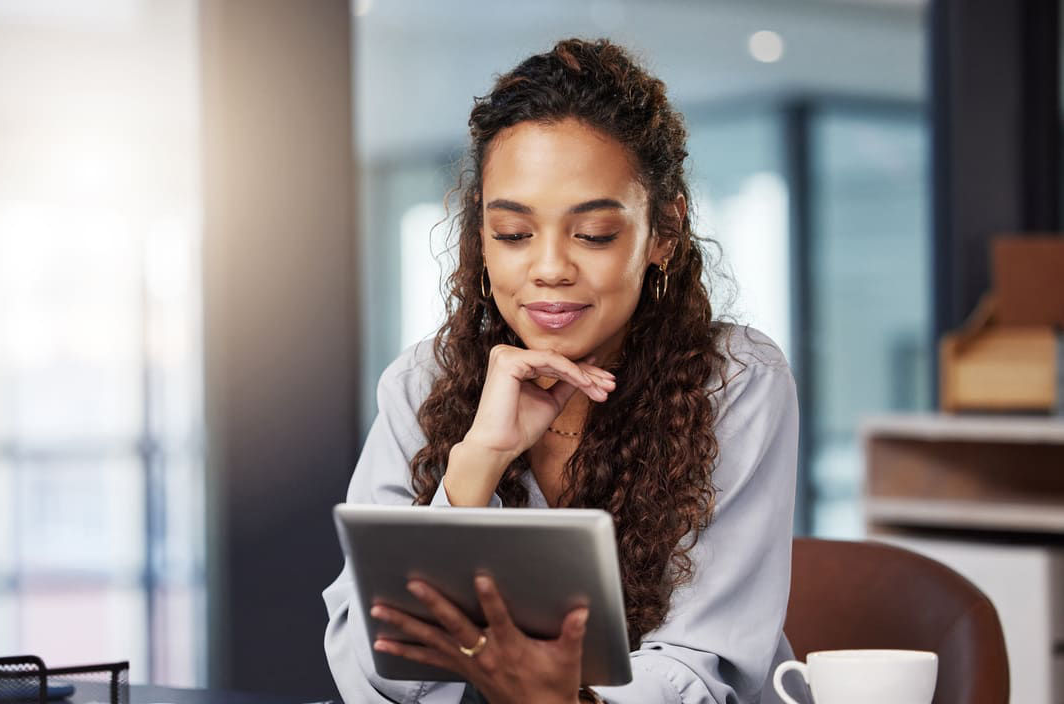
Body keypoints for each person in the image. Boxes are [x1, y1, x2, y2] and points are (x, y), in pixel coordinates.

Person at [323, 37, 804, 704]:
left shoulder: (735, 381)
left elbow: (709, 662)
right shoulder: (423, 381)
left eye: (594, 234)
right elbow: (368, 669)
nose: (548, 268)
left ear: (663, 230)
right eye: (513, 234)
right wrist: (475, 465)